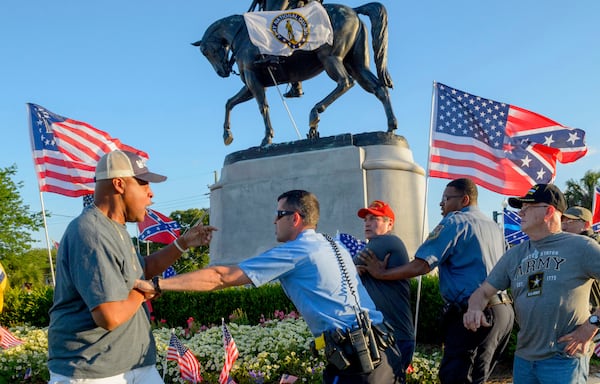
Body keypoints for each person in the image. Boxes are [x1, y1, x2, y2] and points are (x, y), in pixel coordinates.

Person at [136, 189, 403, 383]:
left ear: (295, 218)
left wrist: (158, 284)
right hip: (381, 350)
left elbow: (221, 276)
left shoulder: (298, 251)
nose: (274, 221)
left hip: (359, 363)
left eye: (279, 214)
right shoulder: (333, 245)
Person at [47, 150, 216, 383]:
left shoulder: (115, 228)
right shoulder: (92, 233)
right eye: (143, 183)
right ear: (119, 184)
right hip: (94, 371)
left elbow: (142, 268)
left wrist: (183, 243)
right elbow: (108, 316)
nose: (150, 193)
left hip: (133, 365)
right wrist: (145, 291)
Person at [357, 178, 514, 384]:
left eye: (446, 199)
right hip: (503, 313)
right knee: (477, 377)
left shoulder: (455, 221)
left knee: (455, 377)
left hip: (473, 314)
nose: (441, 204)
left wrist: (381, 274)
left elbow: (422, 265)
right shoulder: (493, 227)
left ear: (464, 200)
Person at [464, 183, 600, 384]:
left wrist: (591, 325)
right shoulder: (514, 254)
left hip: (564, 359)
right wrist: (474, 308)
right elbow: (483, 292)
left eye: (527, 207)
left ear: (549, 211)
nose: (521, 213)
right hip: (524, 360)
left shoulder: (581, 246)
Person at [354, 200, 415, 382]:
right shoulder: (374, 246)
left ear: (390, 224)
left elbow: (343, 270)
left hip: (394, 335)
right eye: (366, 219)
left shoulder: (386, 241)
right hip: (389, 335)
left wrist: (353, 269)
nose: (367, 223)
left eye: (374, 219)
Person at [562, 206, 600, 310]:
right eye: (562, 222)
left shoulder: (593, 246)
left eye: (569, 221)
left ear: (586, 224)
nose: (563, 227)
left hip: (592, 315)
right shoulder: (566, 247)